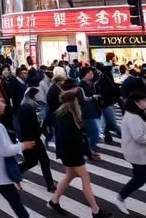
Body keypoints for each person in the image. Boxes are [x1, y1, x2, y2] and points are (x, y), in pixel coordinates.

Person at [48, 86, 111, 218]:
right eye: (76, 100)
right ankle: (95, 210)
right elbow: (72, 138)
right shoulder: (68, 116)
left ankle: (54, 201)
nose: (78, 102)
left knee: (69, 177)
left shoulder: (61, 114)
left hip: (68, 152)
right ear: (72, 102)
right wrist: (85, 150)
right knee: (85, 177)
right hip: (72, 153)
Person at [17, 87, 55, 191]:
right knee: (32, 161)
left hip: (35, 138)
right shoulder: (26, 107)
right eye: (39, 95)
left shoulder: (33, 106)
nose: (41, 97)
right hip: (30, 139)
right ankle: (12, 173)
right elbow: (26, 126)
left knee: (43, 161)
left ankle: (50, 184)